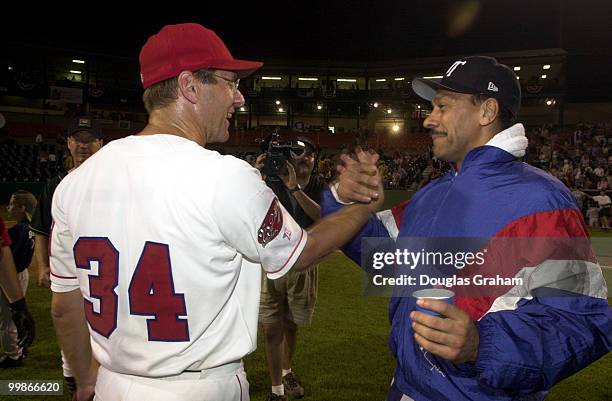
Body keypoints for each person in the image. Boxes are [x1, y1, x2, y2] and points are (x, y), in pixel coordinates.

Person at [49, 23, 383, 401]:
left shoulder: (75, 183)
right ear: (190, 86)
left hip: (112, 382)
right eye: (229, 82)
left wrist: (86, 382)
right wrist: (360, 208)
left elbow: (64, 306)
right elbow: (300, 253)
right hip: (201, 386)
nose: (239, 98)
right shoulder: (224, 176)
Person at [323, 56, 612, 401]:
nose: (429, 120)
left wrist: (481, 344)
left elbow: (584, 321)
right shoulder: (434, 191)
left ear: (486, 112)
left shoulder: (542, 200)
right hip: (405, 387)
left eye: (442, 107)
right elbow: (384, 258)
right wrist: (346, 200)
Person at [30, 115, 103, 392]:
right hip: (69, 271)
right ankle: (76, 384)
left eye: (90, 141)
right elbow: (41, 229)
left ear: (100, 144)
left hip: (103, 272)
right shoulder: (55, 185)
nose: (84, 147)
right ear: (69, 144)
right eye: (78, 141)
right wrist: (42, 266)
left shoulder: (110, 183)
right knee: (71, 331)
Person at [256, 137, 324, 400]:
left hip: (303, 262)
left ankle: (286, 370)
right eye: (299, 153)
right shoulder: (271, 180)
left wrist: (295, 188)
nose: (304, 157)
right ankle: (276, 389)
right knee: (272, 327)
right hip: (272, 260)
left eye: (309, 154)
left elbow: (321, 217)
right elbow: (252, 206)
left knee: (291, 324)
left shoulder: (319, 185)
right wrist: (259, 175)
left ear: (315, 161)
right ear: (290, 159)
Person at [0, 191, 37, 367]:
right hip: (20, 273)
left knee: (7, 317)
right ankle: (20, 348)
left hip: (12, 275)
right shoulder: (30, 227)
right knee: (13, 317)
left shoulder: (20, 230)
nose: (8, 207)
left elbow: (9, 259)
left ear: (22, 208)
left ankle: (13, 354)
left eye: (12, 204)